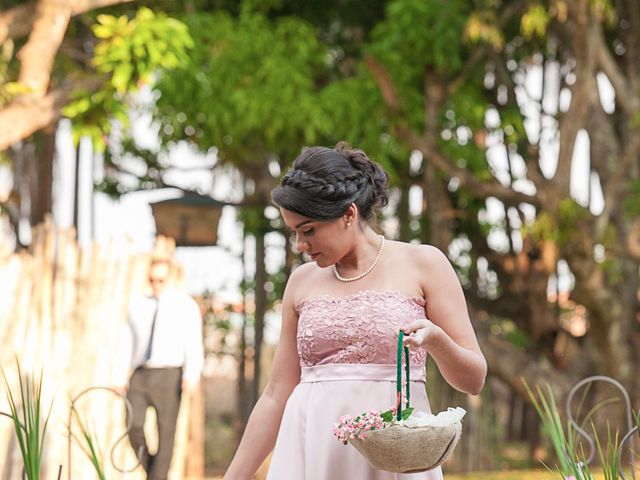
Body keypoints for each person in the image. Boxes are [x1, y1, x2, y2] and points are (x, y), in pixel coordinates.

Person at [224, 142, 487, 480]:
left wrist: (436, 342)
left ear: (348, 214)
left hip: (394, 458)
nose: (300, 246)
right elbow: (276, 394)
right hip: (313, 449)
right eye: (294, 233)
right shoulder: (301, 281)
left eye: (308, 231)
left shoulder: (424, 264)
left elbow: (474, 379)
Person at [113, 257, 204, 480]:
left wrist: (191, 375)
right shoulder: (137, 305)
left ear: (170, 278)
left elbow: (194, 342)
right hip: (141, 374)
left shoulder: (185, 305)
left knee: (166, 433)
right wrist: (118, 374)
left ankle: (157, 476)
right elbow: (126, 341)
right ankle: (154, 473)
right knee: (133, 424)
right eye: (152, 280)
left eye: (161, 280)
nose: (156, 284)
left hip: (170, 374)